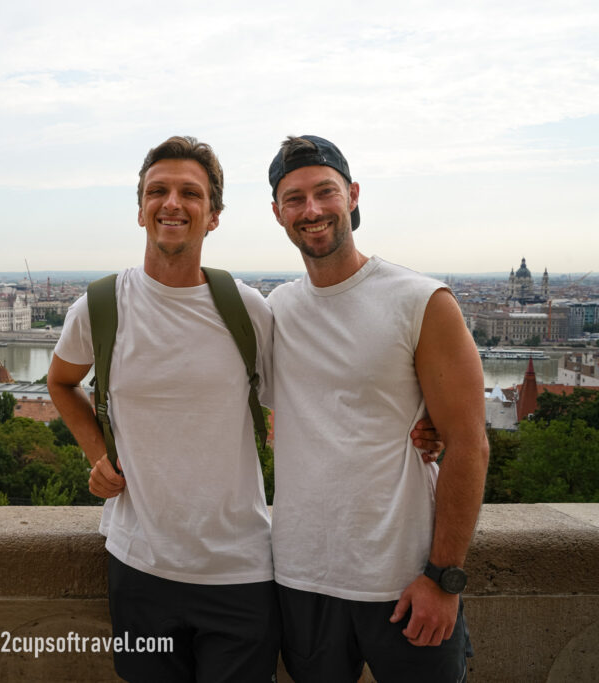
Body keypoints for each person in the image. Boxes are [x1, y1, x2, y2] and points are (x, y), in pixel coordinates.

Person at [47, 135, 281, 682]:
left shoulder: (248, 310)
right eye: (158, 191)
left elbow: (304, 399)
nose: (172, 203)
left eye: (189, 193)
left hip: (240, 569)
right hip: (140, 565)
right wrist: (99, 455)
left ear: (214, 217)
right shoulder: (100, 307)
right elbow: (61, 383)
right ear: (140, 210)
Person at [265, 135, 490, 683]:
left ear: (353, 195)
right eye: (295, 199)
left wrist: (443, 578)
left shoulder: (421, 300)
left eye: (325, 193)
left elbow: (468, 443)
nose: (312, 210)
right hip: (301, 579)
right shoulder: (275, 311)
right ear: (277, 213)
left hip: (404, 578)